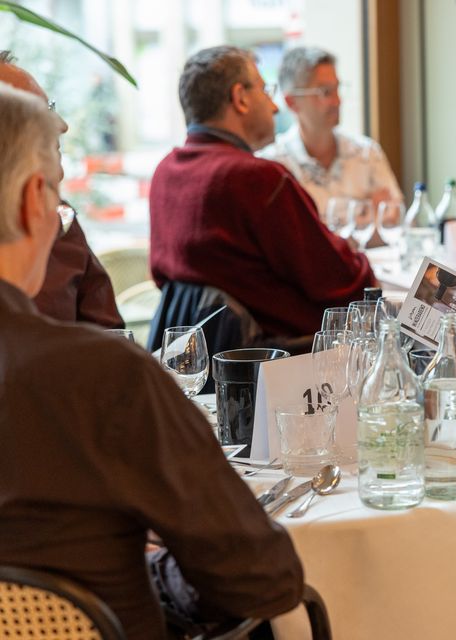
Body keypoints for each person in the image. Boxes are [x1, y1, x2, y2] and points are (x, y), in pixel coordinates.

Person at [0, 83, 303, 639]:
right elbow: (263, 579)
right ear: (30, 199)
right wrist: (159, 573)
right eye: (59, 204)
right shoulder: (100, 376)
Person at [150, 45, 375, 339]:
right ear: (240, 98)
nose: (274, 107)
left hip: (204, 356)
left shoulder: (165, 173)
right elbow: (341, 280)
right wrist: (358, 258)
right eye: (265, 91)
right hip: (283, 358)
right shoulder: (256, 179)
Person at [0, 51, 122, 328]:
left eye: (51, 108)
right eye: (38, 111)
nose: (61, 125)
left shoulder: (61, 220)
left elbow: (110, 333)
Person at [259, 46, 403, 215]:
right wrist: (366, 217)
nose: (338, 101)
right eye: (326, 92)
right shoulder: (273, 164)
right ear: (292, 102)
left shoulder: (367, 153)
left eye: (337, 89)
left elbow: (395, 217)